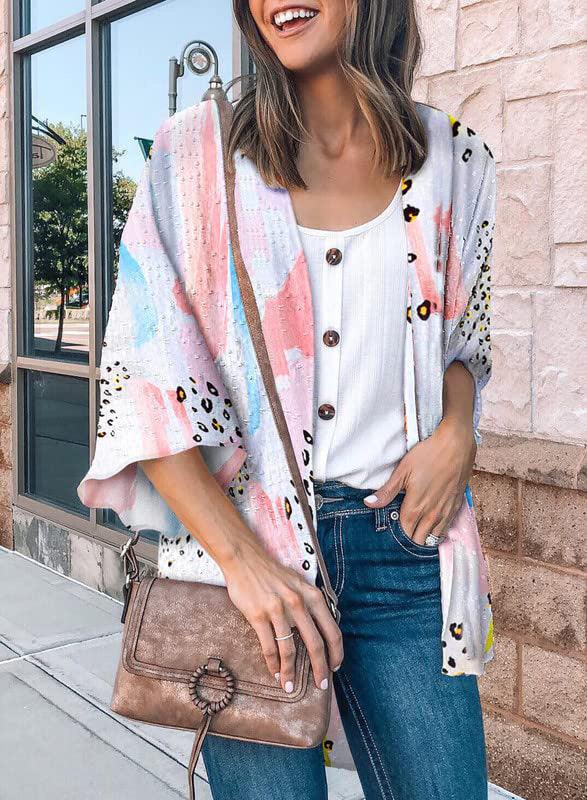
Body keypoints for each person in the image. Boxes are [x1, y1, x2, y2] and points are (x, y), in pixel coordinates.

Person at [77, 1, 497, 798]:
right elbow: (146, 382)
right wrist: (241, 562)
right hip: (242, 561)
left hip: (406, 545)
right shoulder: (193, 154)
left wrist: (457, 430)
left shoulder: (456, 157)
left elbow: (463, 338)